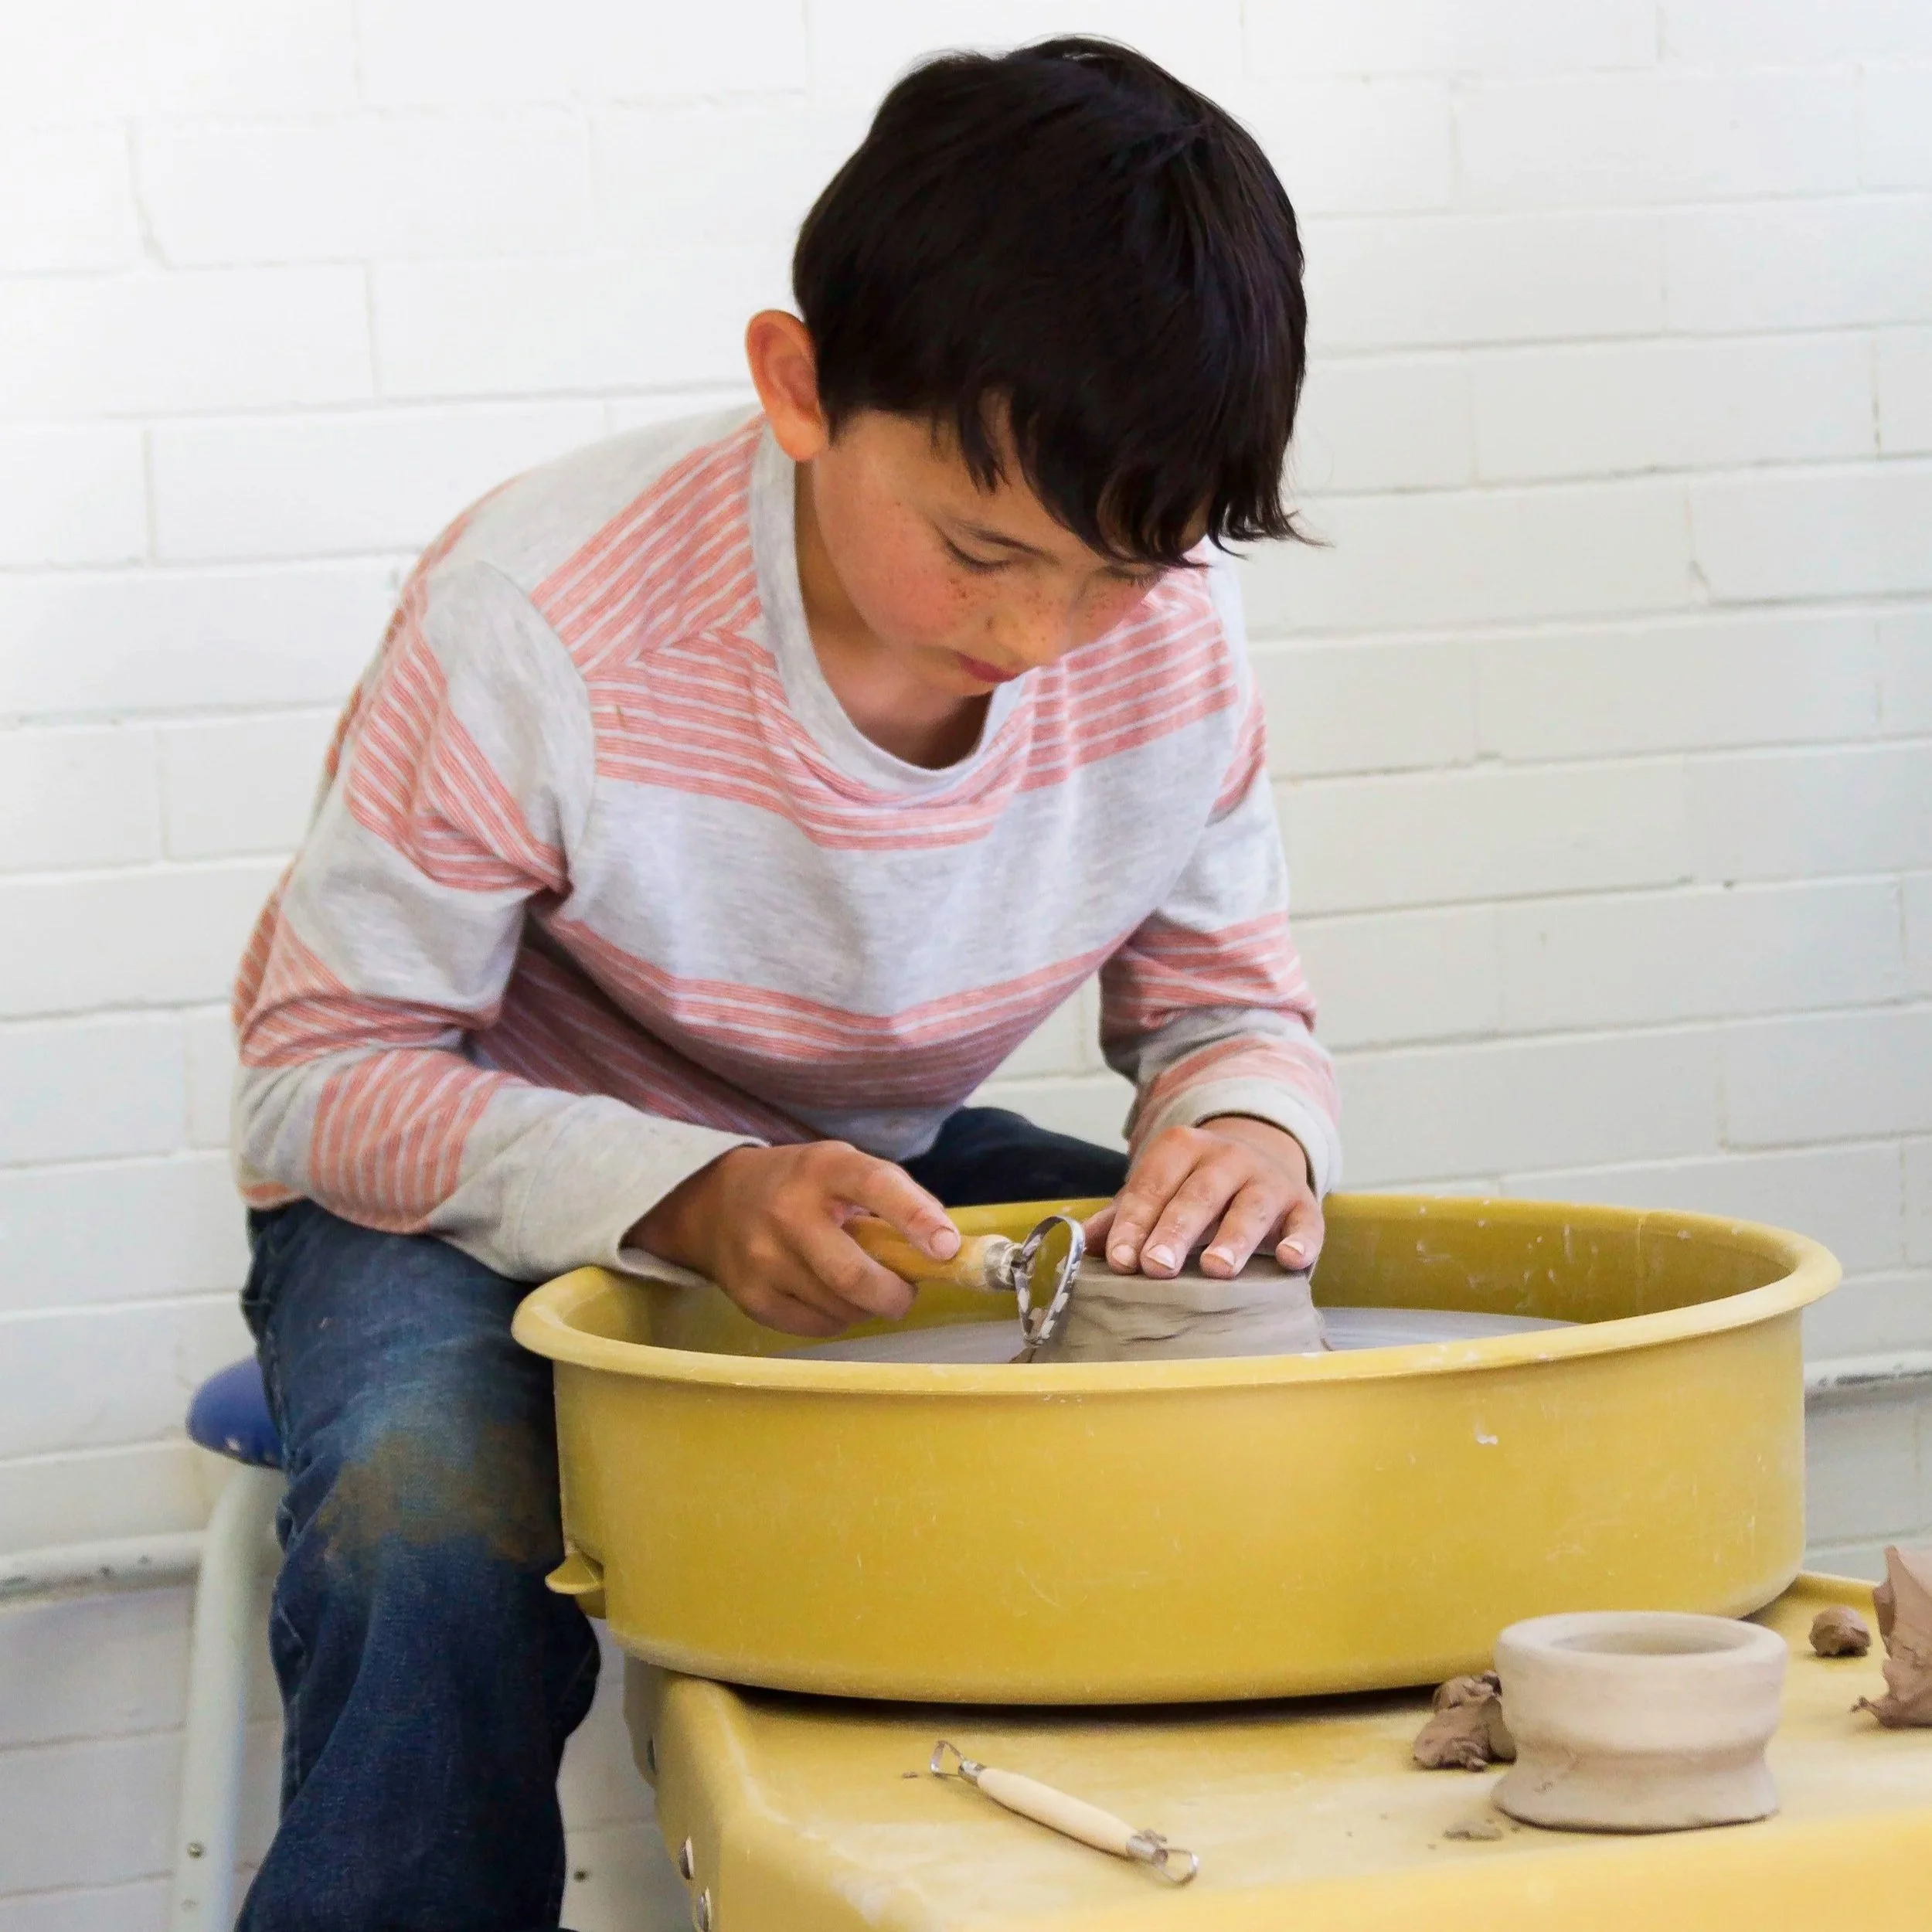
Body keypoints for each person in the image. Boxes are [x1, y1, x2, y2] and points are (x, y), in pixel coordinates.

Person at [227, 36, 1338, 1929]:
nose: (1035, 633)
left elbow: (1220, 998)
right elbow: (317, 1077)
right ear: (799, 385)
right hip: (460, 1197)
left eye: (1113, 573)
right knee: (432, 1523)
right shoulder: (545, 612)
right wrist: (686, 1190)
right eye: (982, 549)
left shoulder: (1167, 625)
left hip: (869, 1161)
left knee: (1258, 1373)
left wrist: (1241, 1115)